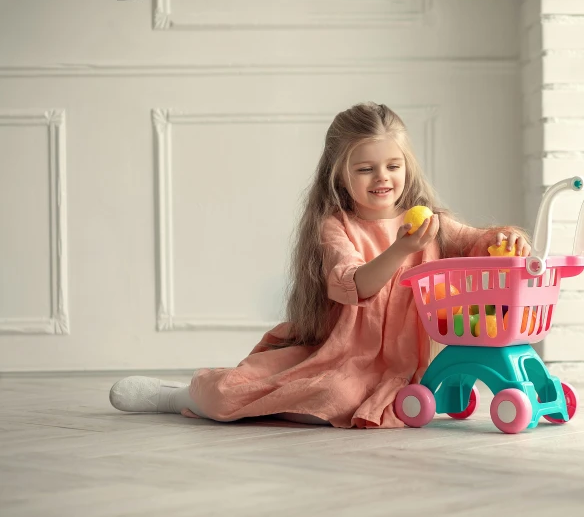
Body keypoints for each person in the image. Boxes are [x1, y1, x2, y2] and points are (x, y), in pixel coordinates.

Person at [109, 102, 530, 428]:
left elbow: (475, 241)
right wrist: (399, 251)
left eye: (393, 166)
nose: (382, 178)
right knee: (265, 391)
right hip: (341, 354)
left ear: (408, 167)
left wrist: (505, 239)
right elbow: (352, 282)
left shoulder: (427, 221)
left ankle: (276, 404)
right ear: (339, 175)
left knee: (340, 400)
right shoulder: (337, 226)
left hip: (402, 366)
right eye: (365, 168)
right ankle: (179, 396)